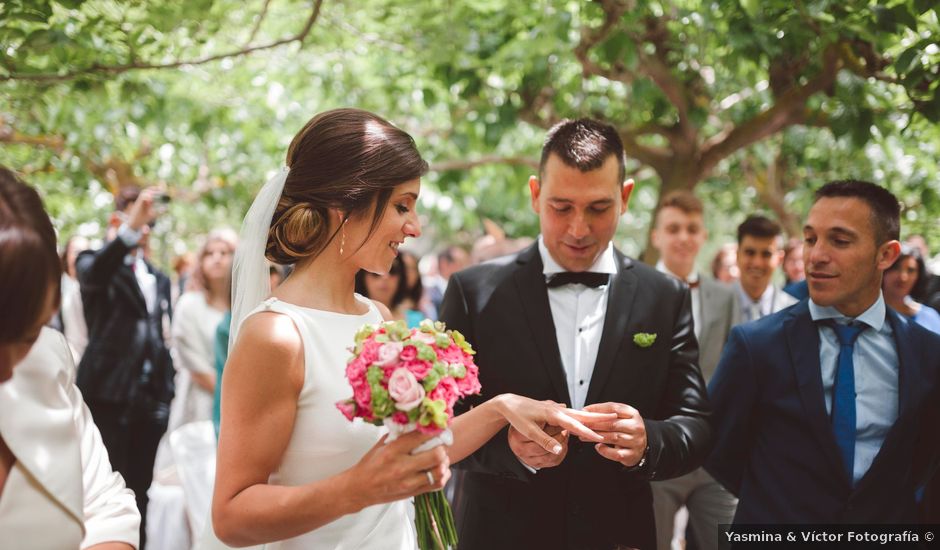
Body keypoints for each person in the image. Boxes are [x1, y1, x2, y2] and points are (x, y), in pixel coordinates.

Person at [211, 108, 611, 549]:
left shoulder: (377, 317)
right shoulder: (277, 336)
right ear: (347, 202)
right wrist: (356, 489)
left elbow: (414, 453)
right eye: (402, 205)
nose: (415, 227)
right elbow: (231, 515)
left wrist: (502, 408)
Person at [439, 118, 712, 550]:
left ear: (624, 199)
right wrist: (508, 448)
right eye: (561, 207)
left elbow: (695, 425)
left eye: (598, 208)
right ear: (535, 195)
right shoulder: (473, 292)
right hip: (500, 535)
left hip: (619, 534)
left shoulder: (666, 296)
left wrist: (647, 441)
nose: (579, 229)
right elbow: (441, 425)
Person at [706, 180, 940, 525]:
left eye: (840, 241)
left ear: (886, 255)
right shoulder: (755, 345)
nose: (815, 255)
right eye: (811, 238)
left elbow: (922, 460)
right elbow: (719, 451)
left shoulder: (927, 354)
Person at [0, 166, 140, 548]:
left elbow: (107, 506)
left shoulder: (47, 358)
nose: (10, 369)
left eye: (27, 335)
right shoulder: (98, 262)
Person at [76, 185, 175, 548]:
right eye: (136, 220)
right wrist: (126, 231)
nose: (143, 228)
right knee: (107, 494)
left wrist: (167, 388)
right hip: (108, 396)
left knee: (142, 492)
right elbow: (96, 273)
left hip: (152, 402)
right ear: (117, 221)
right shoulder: (92, 263)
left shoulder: (158, 277)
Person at [648, 190, 739, 550]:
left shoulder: (725, 295)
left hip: (713, 457)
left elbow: (733, 371)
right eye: (673, 228)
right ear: (657, 236)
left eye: (692, 228)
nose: (683, 237)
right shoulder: (634, 290)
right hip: (654, 451)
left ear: (703, 235)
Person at [167, 228, 238, 432]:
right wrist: (234, 399)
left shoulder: (242, 307)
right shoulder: (189, 305)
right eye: (210, 253)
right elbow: (196, 366)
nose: (217, 258)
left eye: (224, 253)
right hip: (201, 402)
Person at [732, 215, 797, 322]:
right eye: (750, 253)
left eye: (766, 254)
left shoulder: (793, 312)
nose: (757, 263)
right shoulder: (714, 307)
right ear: (737, 255)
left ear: (780, 259)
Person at [882, 244, 940, 334]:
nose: (903, 277)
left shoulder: (929, 317)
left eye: (910, 270)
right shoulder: (863, 312)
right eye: (896, 268)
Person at [57, 234, 91, 363]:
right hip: (65, 354)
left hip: (89, 357)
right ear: (67, 255)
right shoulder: (57, 285)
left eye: (85, 252)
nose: (80, 257)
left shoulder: (93, 289)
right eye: (76, 251)